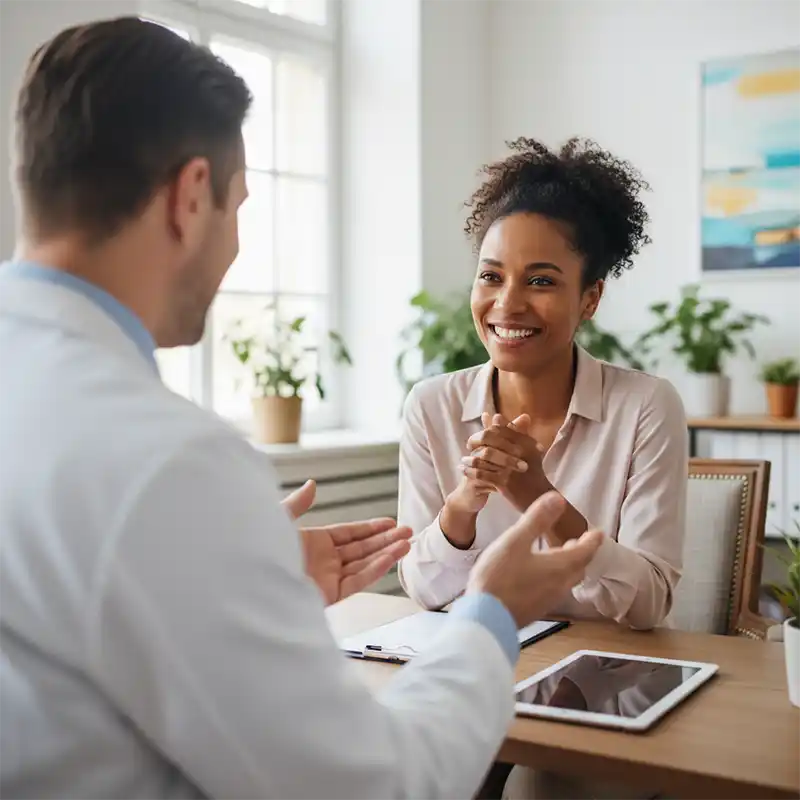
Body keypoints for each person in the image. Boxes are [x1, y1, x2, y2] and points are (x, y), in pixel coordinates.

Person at [0, 18, 605, 800]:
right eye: (239, 205)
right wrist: (490, 609)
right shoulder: (170, 462)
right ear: (190, 197)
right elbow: (383, 786)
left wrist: (240, 573)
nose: (235, 244)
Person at [396, 138, 688, 799]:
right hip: (472, 666)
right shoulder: (433, 405)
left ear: (590, 298)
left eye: (542, 281)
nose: (508, 304)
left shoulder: (646, 407)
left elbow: (648, 603)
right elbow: (422, 587)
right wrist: (462, 507)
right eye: (491, 276)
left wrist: (541, 496)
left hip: (593, 691)